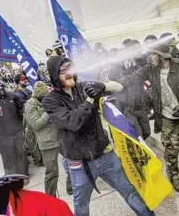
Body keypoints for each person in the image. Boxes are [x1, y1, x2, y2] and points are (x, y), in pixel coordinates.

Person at [42, 55, 154, 216]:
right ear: (54, 75)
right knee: (81, 206)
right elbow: (73, 122)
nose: (68, 73)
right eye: (62, 71)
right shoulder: (50, 101)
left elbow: (118, 88)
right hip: (79, 164)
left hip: (105, 155)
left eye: (70, 68)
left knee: (130, 192)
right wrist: (89, 99)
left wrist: (101, 85)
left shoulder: (84, 87)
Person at [112, 44, 179, 193]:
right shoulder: (150, 68)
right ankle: (174, 177)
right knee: (171, 149)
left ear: (162, 56)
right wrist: (108, 86)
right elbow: (131, 78)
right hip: (167, 115)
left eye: (153, 54)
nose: (149, 57)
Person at [24, 81, 72, 197]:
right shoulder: (31, 104)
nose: (45, 98)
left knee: (73, 163)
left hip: (60, 136)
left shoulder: (49, 98)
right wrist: (48, 111)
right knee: (52, 172)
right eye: (43, 96)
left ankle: (71, 187)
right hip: (47, 142)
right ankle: (51, 197)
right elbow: (35, 124)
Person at [108, 41, 151, 141]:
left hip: (140, 106)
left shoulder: (137, 66)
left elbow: (142, 80)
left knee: (146, 132)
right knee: (137, 134)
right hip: (127, 108)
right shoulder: (114, 70)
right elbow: (113, 87)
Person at [0, 79, 29, 175]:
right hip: (3, 134)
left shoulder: (12, 96)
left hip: (17, 130)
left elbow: (21, 106)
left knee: (21, 152)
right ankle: (15, 176)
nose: (0, 88)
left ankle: (24, 174)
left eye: (2, 86)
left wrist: (24, 113)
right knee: (10, 156)